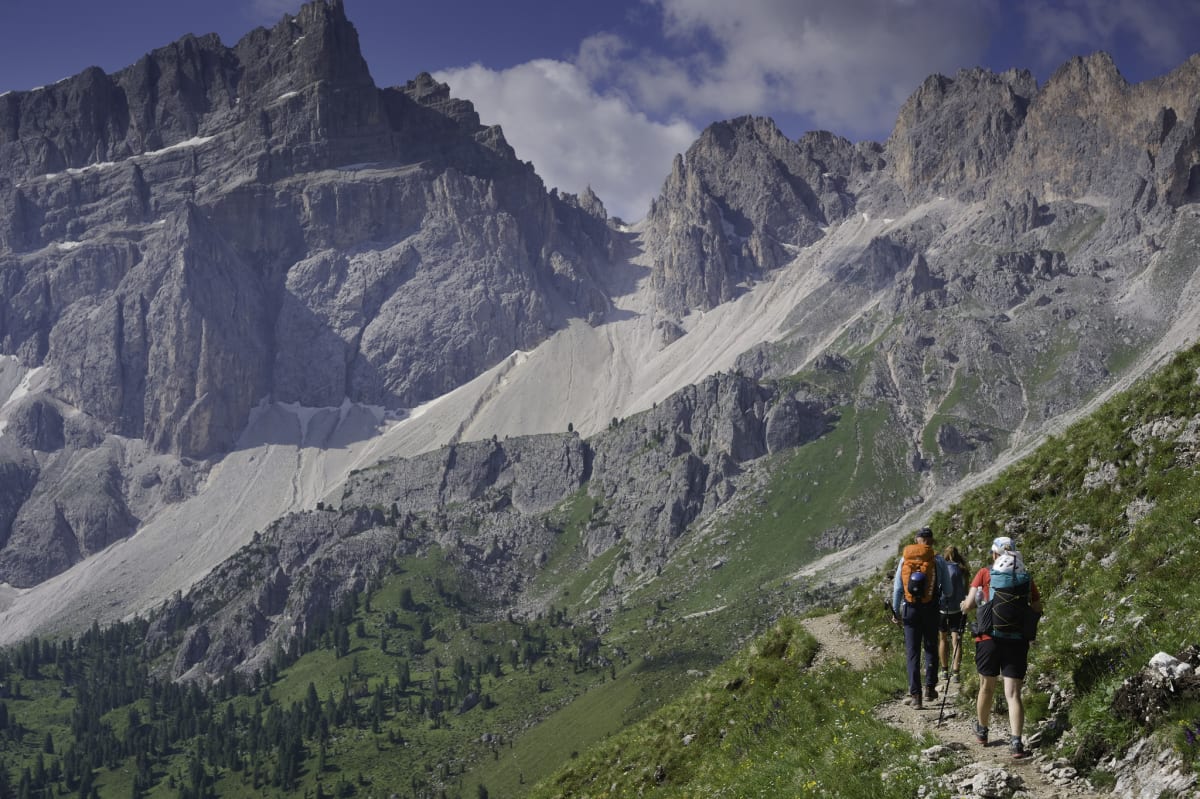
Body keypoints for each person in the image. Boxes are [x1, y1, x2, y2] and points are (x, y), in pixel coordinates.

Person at [959, 535, 1043, 759]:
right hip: (1016, 641)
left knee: (986, 686)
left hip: (989, 639)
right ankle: (1016, 742)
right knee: (1013, 693)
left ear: (994, 554)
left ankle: (982, 730)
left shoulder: (985, 573)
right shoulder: (1025, 577)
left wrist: (965, 606)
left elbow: (968, 605)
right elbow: (1036, 606)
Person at [891, 526, 950, 709]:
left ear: (917, 540)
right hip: (931, 609)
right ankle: (930, 688)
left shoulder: (904, 560)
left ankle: (916, 696)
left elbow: (898, 589)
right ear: (931, 541)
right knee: (931, 647)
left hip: (910, 610)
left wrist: (896, 612)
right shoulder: (937, 560)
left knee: (912, 652)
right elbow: (948, 590)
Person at [939, 545, 969, 682]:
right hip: (958, 609)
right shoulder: (963, 570)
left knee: (943, 639)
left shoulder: (942, 569)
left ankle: (944, 670)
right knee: (956, 640)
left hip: (942, 609)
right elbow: (967, 590)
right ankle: (956, 672)